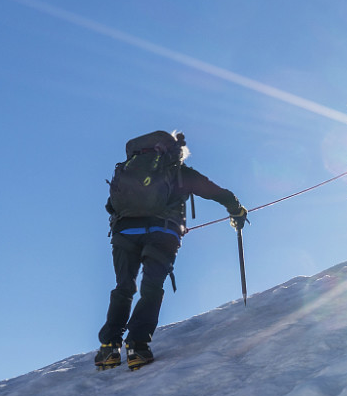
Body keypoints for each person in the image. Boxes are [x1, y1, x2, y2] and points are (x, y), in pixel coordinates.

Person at [95, 130, 247, 370]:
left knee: (124, 287)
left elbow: (111, 205)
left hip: (124, 232)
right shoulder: (179, 172)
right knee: (151, 287)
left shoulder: (128, 169)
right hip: (162, 233)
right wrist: (236, 210)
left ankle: (108, 349)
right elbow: (216, 192)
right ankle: (137, 346)